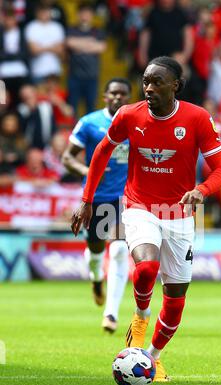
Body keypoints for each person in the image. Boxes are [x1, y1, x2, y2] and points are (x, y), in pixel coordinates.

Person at [70, 56, 221, 381]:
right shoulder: (129, 115)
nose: (149, 88)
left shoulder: (197, 119)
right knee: (145, 268)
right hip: (140, 207)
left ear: (176, 86)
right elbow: (101, 152)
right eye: (146, 81)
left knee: (175, 301)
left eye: (157, 82)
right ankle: (140, 316)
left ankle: (152, 358)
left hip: (180, 214)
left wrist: (202, 189)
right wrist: (87, 199)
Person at [62, 78, 132, 333]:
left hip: (125, 198)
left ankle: (111, 314)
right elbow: (67, 156)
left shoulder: (136, 124)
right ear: (105, 96)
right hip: (96, 199)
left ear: (128, 98)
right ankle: (96, 279)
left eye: (123, 94)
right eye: (113, 93)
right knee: (95, 253)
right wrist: (88, 170)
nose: (118, 98)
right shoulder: (90, 123)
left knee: (119, 251)